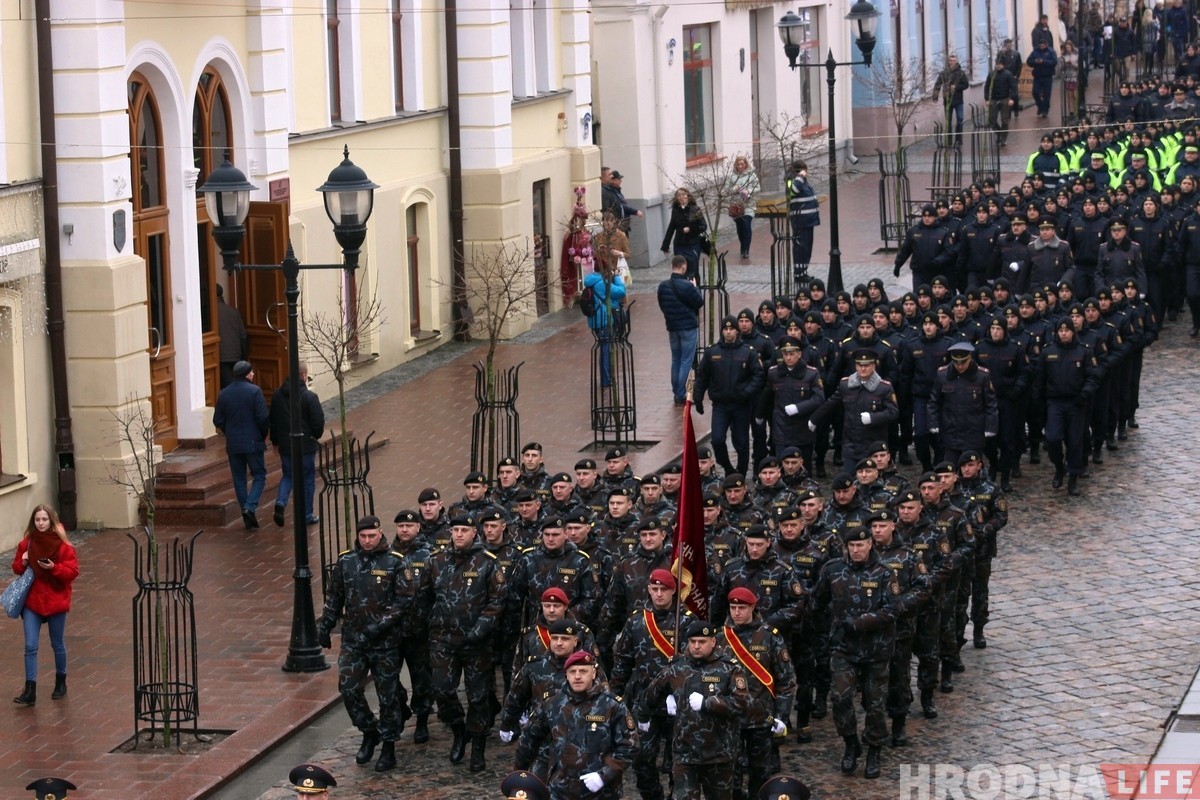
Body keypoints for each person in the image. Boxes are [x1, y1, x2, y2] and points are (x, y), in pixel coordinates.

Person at [316, 515, 412, 772]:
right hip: (354, 640)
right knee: (348, 688)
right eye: (363, 536)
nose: (368, 541)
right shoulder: (346, 561)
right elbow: (335, 596)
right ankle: (369, 730)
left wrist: (380, 625)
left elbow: (403, 601)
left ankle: (389, 745)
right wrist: (326, 625)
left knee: (387, 696)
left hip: (385, 642)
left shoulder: (395, 562)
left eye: (372, 536)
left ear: (380, 533)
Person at [810, 527, 901, 779]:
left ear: (870, 544)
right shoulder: (833, 569)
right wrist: (826, 630)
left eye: (860, 545)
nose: (856, 550)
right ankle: (851, 743)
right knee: (840, 698)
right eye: (851, 546)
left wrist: (860, 622)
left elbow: (893, 609)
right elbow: (817, 602)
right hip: (844, 648)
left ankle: (874, 749)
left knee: (875, 704)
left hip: (876, 649)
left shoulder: (885, 573)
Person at [638, 621, 750, 800]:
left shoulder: (729, 668)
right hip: (685, 752)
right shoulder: (677, 667)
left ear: (713, 642)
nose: (696, 646)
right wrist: (644, 715)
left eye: (702, 642)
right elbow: (652, 692)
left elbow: (742, 703)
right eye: (693, 641)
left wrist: (709, 703)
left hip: (719, 753)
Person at [514, 650, 638, 800]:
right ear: (566, 675)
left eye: (583, 671)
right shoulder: (553, 703)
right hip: (560, 789)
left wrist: (604, 775)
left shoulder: (611, 705)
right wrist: (519, 775)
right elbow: (529, 738)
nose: (577, 676)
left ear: (593, 673)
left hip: (601, 791)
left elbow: (629, 746)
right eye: (572, 672)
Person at [719, 587, 796, 800]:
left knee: (760, 773)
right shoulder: (720, 637)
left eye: (742, 608)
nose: (736, 612)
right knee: (730, 773)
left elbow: (786, 680)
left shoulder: (770, 636)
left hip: (761, 718)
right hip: (730, 718)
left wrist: (781, 715)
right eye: (733, 608)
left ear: (753, 607)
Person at [11, 505, 78, 706]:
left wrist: (54, 567)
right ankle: (30, 689)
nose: (40, 523)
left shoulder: (63, 545)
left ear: (51, 521)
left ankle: (61, 681)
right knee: (30, 645)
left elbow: (72, 571)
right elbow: (16, 568)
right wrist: (23, 562)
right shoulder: (27, 543)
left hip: (56, 600)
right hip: (33, 602)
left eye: (44, 519)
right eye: (37, 520)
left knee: (57, 644)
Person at [694, 315, 767, 477]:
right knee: (717, 439)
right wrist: (698, 398)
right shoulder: (712, 352)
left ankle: (741, 473)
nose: (728, 332)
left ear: (736, 331)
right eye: (725, 329)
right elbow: (702, 376)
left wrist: (746, 392)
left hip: (741, 405)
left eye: (731, 329)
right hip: (720, 405)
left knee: (741, 442)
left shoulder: (747, 352)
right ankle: (727, 467)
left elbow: (758, 375)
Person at [213, 359, 269, 529]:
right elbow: (262, 418)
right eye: (251, 372)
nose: (253, 374)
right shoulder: (255, 391)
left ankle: (247, 515)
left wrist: (229, 431)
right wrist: (262, 435)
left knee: (239, 479)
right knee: (259, 475)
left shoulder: (224, 393)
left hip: (234, 444)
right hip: (253, 442)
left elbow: (217, 420)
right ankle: (249, 507)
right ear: (246, 374)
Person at [268, 361, 325, 528]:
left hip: (286, 445)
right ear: (303, 375)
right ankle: (307, 514)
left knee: (288, 475)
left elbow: (273, 421)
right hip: (305, 445)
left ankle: (281, 502)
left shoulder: (277, 395)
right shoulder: (310, 397)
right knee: (307, 479)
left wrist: (275, 442)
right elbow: (318, 422)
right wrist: (315, 435)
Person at [928, 342, 999, 467]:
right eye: (956, 363)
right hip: (951, 430)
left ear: (970, 358)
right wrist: (933, 423)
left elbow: (990, 404)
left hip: (974, 430)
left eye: (963, 363)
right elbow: (934, 401)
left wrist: (990, 427)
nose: (960, 366)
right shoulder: (943, 375)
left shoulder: (982, 376)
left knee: (972, 468)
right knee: (949, 467)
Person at [656, 255, 705, 406]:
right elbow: (699, 302)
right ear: (683, 267)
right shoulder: (687, 286)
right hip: (688, 327)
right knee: (686, 361)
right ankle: (681, 393)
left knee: (676, 359)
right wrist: (695, 287)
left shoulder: (663, 286)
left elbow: (662, 304)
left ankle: (676, 391)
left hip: (672, 327)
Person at [583, 250, 628, 390]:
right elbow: (621, 292)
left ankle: (606, 378)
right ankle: (606, 379)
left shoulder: (591, 281)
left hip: (594, 320)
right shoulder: (602, 283)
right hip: (604, 320)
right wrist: (616, 277)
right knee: (606, 350)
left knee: (604, 348)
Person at [661, 188, 708, 281]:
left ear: (688, 196)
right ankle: (681, 287)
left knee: (693, 270)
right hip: (679, 245)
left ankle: (694, 287)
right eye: (679, 195)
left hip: (693, 244)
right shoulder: (676, 210)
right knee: (679, 270)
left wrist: (690, 229)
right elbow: (671, 227)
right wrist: (665, 245)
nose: (681, 197)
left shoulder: (695, 209)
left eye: (683, 195)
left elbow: (703, 226)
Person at [787, 161, 820, 279]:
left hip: (808, 220)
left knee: (807, 248)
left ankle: (803, 271)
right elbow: (793, 191)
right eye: (804, 170)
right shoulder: (792, 180)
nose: (806, 172)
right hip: (800, 220)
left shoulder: (802, 181)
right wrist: (800, 177)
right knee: (801, 248)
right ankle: (799, 273)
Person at [726, 155, 760, 260]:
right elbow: (726, 190)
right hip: (736, 206)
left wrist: (748, 190)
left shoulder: (751, 175)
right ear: (735, 165)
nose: (740, 166)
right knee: (740, 227)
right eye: (738, 164)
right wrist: (734, 189)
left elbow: (758, 187)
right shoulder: (731, 176)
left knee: (746, 224)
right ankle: (743, 246)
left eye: (742, 164)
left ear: (745, 164)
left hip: (748, 204)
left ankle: (746, 250)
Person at [933, 53, 970, 146]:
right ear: (948, 62)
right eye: (950, 60)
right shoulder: (944, 73)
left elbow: (966, 84)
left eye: (954, 61)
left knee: (960, 119)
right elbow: (937, 84)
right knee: (948, 121)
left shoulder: (961, 73)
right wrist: (935, 96)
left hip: (958, 100)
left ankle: (958, 140)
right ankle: (948, 141)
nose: (952, 62)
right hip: (948, 100)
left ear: (956, 61)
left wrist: (956, 87)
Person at [216, 283, 247, 389]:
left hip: (221, 356)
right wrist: (244, 354)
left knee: (229, 386)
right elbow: (243, 335)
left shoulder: (211, 313)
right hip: (235, 354)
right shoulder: (233, 311)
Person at [984, 57, 1017, 146]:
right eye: (997, 64)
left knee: (1005, 120)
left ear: (1003, 65)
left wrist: (1011, 98)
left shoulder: (1008, 74)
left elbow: (1013, 87)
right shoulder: (991, 74)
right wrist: (987, 99)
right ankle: (999, 134)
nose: (998, 66)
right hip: (993, 100)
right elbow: (987, 87)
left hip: (1004, 99)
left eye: (1000, 64)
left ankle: (1003, 138)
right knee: (992, 120)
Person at [1026, 39, 1058, 119]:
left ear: (1046, 45)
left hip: (1047, 76)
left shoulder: (1051, 52)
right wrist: (1035, 61)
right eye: (1040, 46)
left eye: (1043, 46)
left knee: (1046, 94)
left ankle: (1045, 111)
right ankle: (1040, 106)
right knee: (1035, 92)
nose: (1041, 47)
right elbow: (1029, 61)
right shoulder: (1035, 52)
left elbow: (1054, 62)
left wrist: (1043, 61)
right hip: (1037, 75)